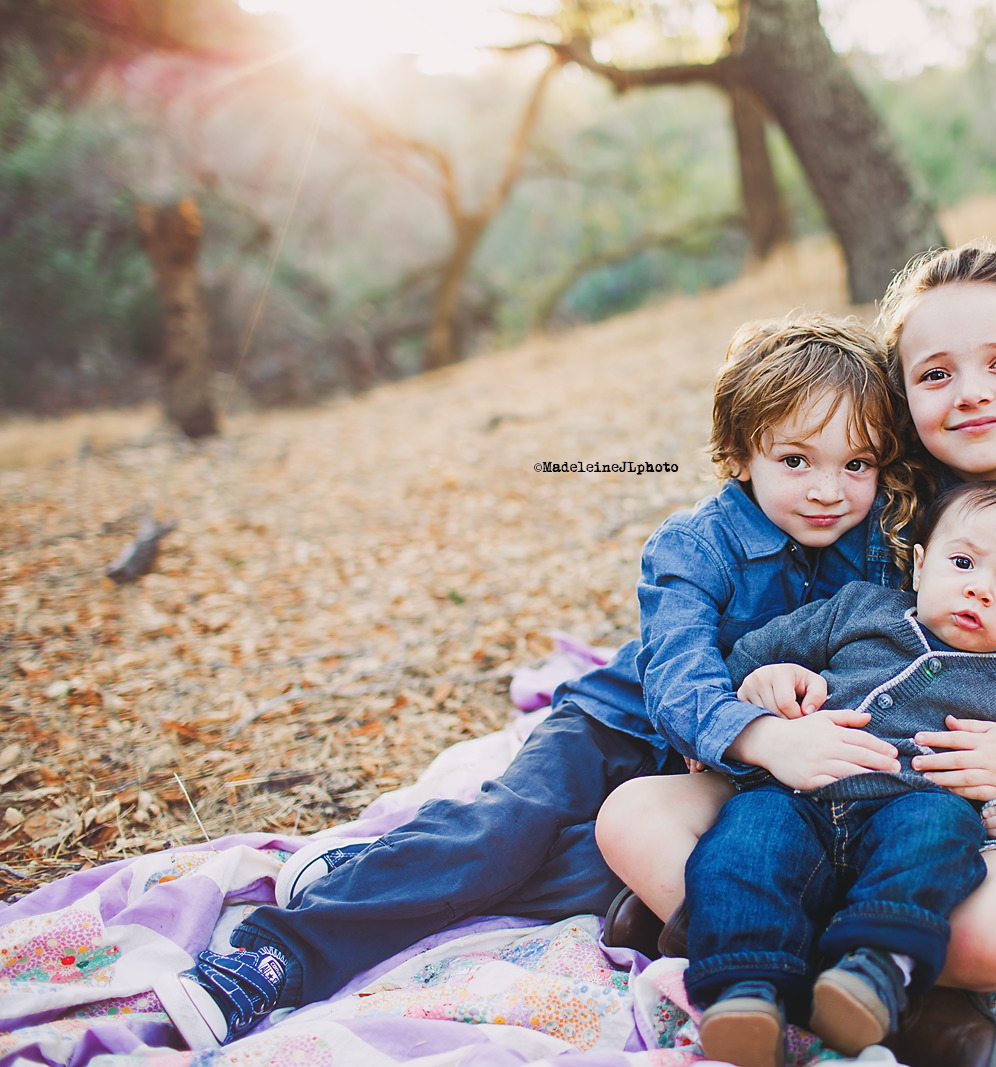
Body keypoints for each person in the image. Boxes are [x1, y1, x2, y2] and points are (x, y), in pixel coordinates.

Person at [152, 315, 914, 1049]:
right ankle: (277, 953)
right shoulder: (695, 544)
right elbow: (678, 675)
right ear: (742, 453)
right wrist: (761, 734)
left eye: (857, 463)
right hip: (616, 726)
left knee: (593, 874)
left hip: (700, 774)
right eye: (796, 461)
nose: (829, 489)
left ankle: (374, 868)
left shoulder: (867, 548)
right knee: (505, 833)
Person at [597, 241, 996, 1044]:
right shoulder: (875, 501)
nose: (971, 392)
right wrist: (773, 692)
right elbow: (802, 641)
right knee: (631, 817)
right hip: (825, 785)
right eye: (936, 373)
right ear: (903, 396)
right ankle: (847, 981)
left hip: (983, 814)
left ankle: (757, 938)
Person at [687, 480, 996, 1067]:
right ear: (920, 564)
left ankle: (875, 969)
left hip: (910, 807)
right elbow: (757, 650)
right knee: (747, 835)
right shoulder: (860, 610)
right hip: (800, 795)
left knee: (940, 829)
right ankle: (746, 989)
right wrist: (759, 684)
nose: (980, 588)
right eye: (963, 562)